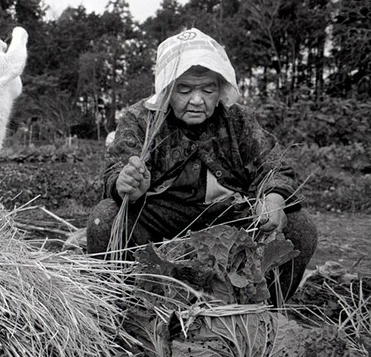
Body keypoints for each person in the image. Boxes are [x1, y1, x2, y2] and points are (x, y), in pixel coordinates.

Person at [86, 28, 317, 304]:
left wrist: (274, 197)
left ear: (220, 88)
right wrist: (127, 186)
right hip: (158, 219)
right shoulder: (139, 119)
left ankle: (261, 311)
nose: (197, 100)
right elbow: (115, 172)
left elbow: (275, 164)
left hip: (228, 219)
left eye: (208, 89)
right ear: (167, 89)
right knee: (104, 220)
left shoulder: (238, 120)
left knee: (300, 226)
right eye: (184, 89)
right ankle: (122, 311)